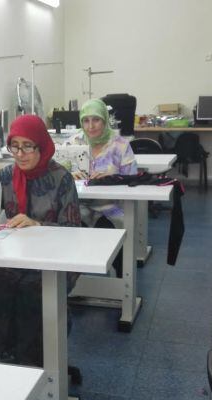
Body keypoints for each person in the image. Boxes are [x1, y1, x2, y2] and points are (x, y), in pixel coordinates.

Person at [0, 114, 81, 366]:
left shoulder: (62, 179)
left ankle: (36, 367)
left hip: (54, 260)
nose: (20, 153)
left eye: (28, 146)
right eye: (14, 146)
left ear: (42, 145)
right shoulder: (5, 177)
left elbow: (72, 230)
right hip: (16, 257)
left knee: (32, 294)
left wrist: (37, 224)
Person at [69, 98, 138, 276]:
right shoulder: (74, 143)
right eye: (86, 120)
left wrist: (112, 178)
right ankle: (73, 284)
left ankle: (123, 286)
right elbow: (56, 172)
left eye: (96, 119)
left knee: (114, 233)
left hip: (111, 207)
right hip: (80, 207)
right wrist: (68, 176)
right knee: (66, 232)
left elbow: (133, 179)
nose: (90, 126)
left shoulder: (120, 145)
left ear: (105, 120)